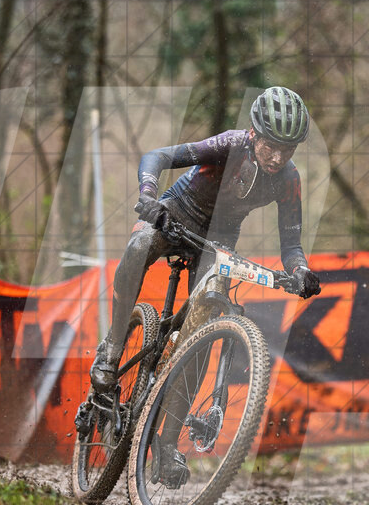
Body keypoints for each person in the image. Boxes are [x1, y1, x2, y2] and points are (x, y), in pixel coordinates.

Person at [89, 86, 322, 394]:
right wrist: (148, 196)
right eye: (271, 146)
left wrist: (300, 270)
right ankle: (112, 346)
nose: (278, 158)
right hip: (178, 212)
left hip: (219, 239)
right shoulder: (230, 144)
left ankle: (172, 423)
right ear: (254, 133)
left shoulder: (289, 179)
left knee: (202, 335)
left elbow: (291, 245)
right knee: (140, 245)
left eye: (288, 150)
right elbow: (157, 156)